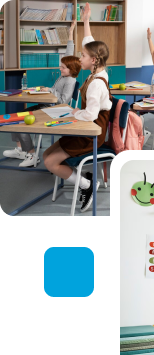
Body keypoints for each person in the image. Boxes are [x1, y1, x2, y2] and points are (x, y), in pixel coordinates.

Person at [42, 2, 112, 213]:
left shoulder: (96, 83)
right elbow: (91, 43)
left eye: (82, 55)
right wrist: (86, 20)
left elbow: (90, 114)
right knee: (47, 154)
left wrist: (74, 113)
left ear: (92, 60)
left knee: (51, 162)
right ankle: (84, 179)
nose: (79, 58)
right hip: (86, 128)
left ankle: (87, 184)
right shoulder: (98, 71)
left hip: (91, 133)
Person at [3, 20, 81, 167]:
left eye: (63, 67)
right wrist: (71, 32)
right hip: (46, 105)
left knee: (23, 120)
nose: (60, 69)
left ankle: (32, 155)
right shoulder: (66, 73)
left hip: (54, 110)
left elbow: (64, 101)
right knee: (18, 115)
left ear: (71, 69)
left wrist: (50, 90)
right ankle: (21, 149)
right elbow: (69, 53)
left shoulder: (70, 80)